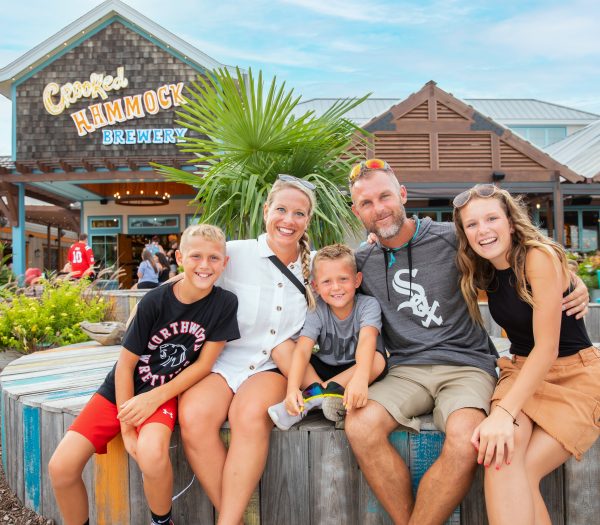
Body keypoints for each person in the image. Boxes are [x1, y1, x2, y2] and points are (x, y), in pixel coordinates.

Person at [343, 159, 590, 525]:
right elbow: (323, 283)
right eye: (366, 203)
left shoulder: (454, 237)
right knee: (359, 425)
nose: (378, 209)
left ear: (403, 195)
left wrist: (571, 280)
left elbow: (514, 249)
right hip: (406, 367)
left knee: (467, 438)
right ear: (356, 210)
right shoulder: (360, 261)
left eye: (385, 196)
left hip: (467, 364)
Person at [48, 224, 240, 525]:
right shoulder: (155, 301)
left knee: (151, 453)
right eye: (196, 256)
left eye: (214, 258)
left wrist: (155, 398)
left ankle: (162, 522)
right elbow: (125, 366)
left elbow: (203, 365)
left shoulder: (224, 304)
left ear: (225, 263)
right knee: (61, 467)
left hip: (163, 391)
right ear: (178, 257)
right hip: (119, 391)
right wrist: (126, 428)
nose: (205, 265)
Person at [453, 184, 600, 525]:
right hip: (521, 371)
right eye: (472, 224)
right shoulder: (482, 266)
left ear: (511, 222)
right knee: (501, 459)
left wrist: (503, 413)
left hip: (573, 377)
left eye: (491, 218)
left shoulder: (538, 257)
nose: (483, 230)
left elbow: (547, 349)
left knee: (523, 468)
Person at [176, 175, 316, 525]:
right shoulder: (233, 254)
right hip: (224, 359)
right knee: (193, 417)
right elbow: (189, 280)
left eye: (299, 214)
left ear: (308, 220)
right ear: (266, 210)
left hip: (273, 366)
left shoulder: (316, 266)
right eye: (281, 209)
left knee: (248, 416)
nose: (288, 220)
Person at [267, 243, 387, 430]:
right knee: (281, 348)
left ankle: (310, 399)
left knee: (378, 360)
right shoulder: (318, 309)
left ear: (357, 280)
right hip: (323, 371)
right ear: (315, 285)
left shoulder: (368, 305)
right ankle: (321, 396)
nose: (336, 287)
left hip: (355, 370)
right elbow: (303, 350)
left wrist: (361, 378)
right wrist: (292, 389)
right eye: (327, 281)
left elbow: (367, 341)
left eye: (343, 279)